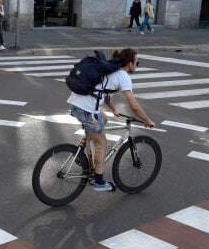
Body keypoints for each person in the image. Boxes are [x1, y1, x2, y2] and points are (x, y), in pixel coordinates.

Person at [66, 49, 156, 191]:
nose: (136, 65)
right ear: (130, 63)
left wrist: (113, 109)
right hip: (86, 109)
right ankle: (99, 182)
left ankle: (84, 152)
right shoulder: (123, 76)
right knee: (101, 141)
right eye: (136, 62)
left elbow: (103, 91)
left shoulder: (110, 67)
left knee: (104, 118)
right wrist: (147, 120)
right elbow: (135, 106)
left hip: (76, 102)